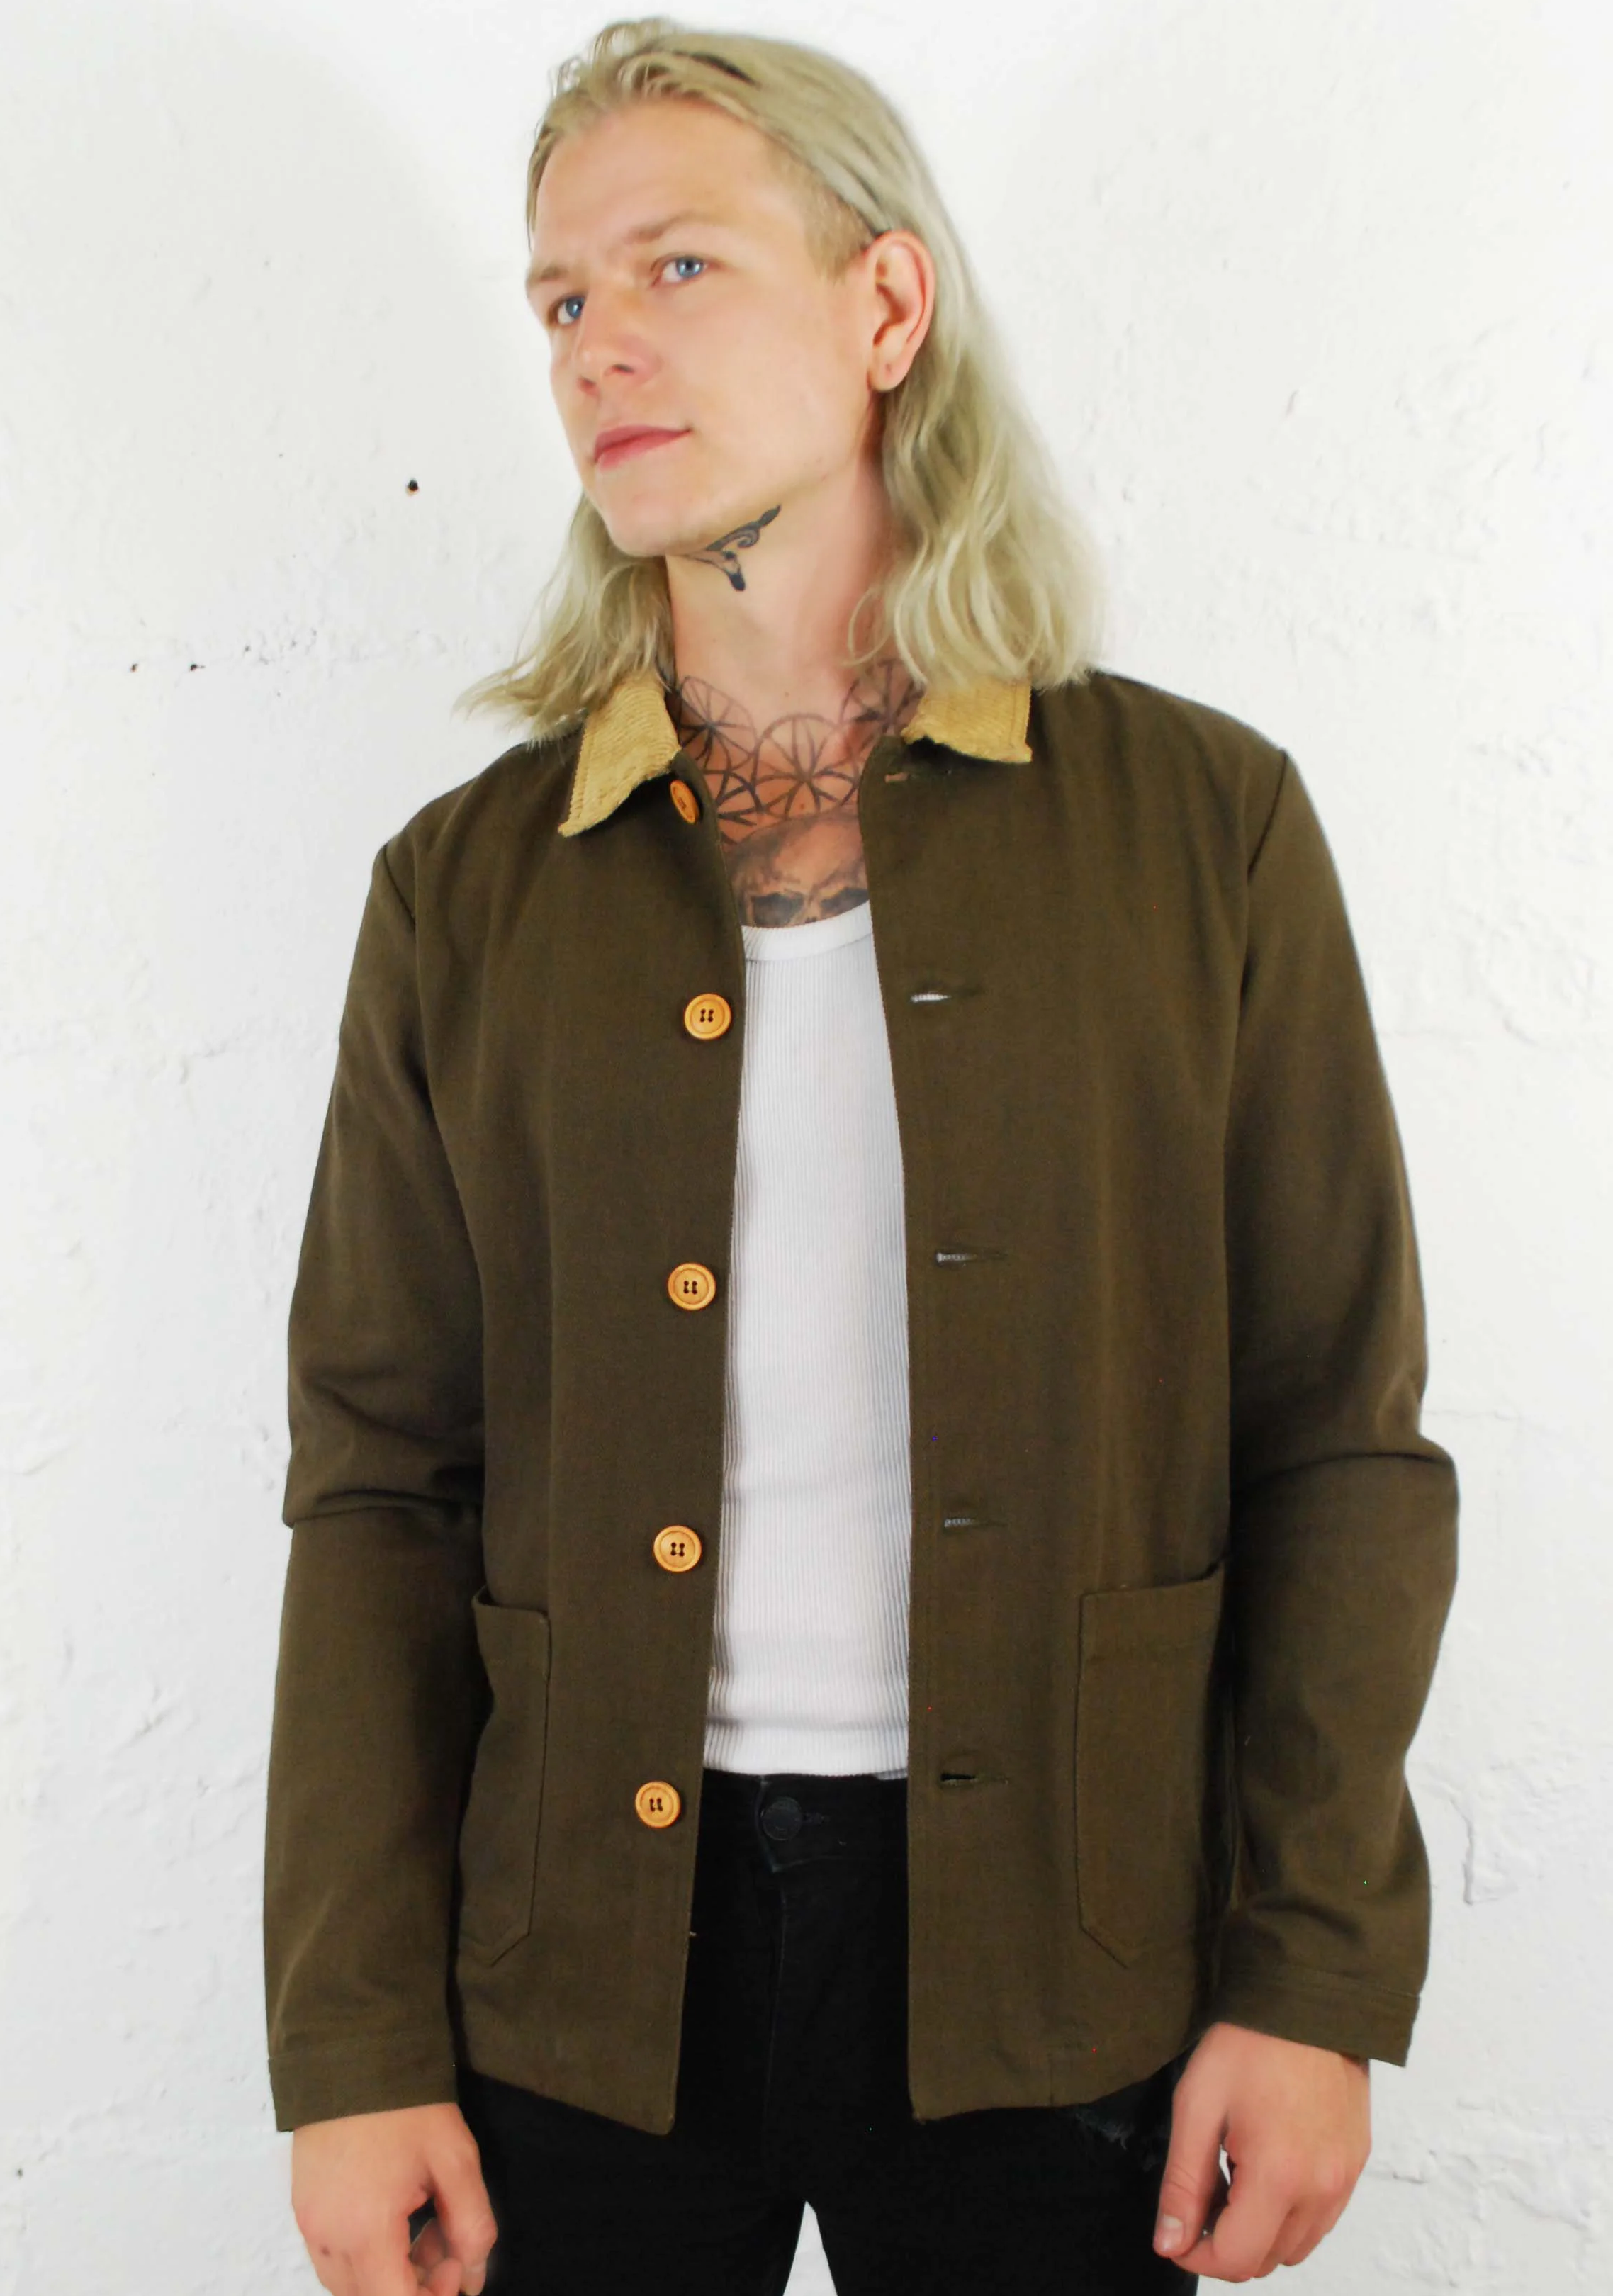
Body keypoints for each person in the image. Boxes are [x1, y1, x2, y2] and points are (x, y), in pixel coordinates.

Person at [263, 19, 1459, 2294]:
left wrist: (1310, 1976)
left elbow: (1339, 1443)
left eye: (677, 264)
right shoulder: (468, 888)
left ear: (886, 305)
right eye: (560, 297)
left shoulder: (1201, 831)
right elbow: (380, 1485)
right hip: (575, 1979)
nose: (597, 342)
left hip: (1064, 1958)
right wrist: (352, 2041)